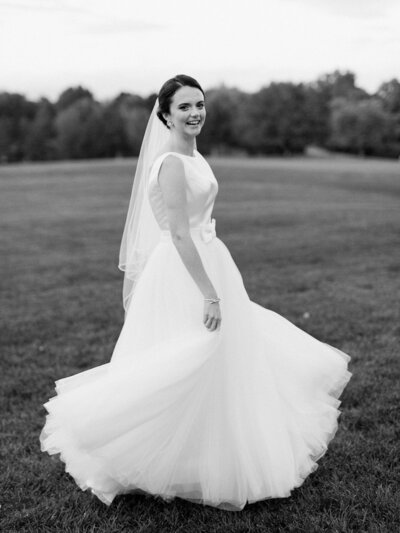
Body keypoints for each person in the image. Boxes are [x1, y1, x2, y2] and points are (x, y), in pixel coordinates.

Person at [39, 74, 352, 512]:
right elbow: (180, 236)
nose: (195, 113)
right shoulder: (170, 163)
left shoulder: (195, 155)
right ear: (165, 114)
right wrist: (209, 293)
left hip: (211, 259)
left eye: (199, 104)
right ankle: (141, 448)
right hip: (185, 270)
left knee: (221, 358)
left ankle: (206, 451)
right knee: (188, 356)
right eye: (184, 106)